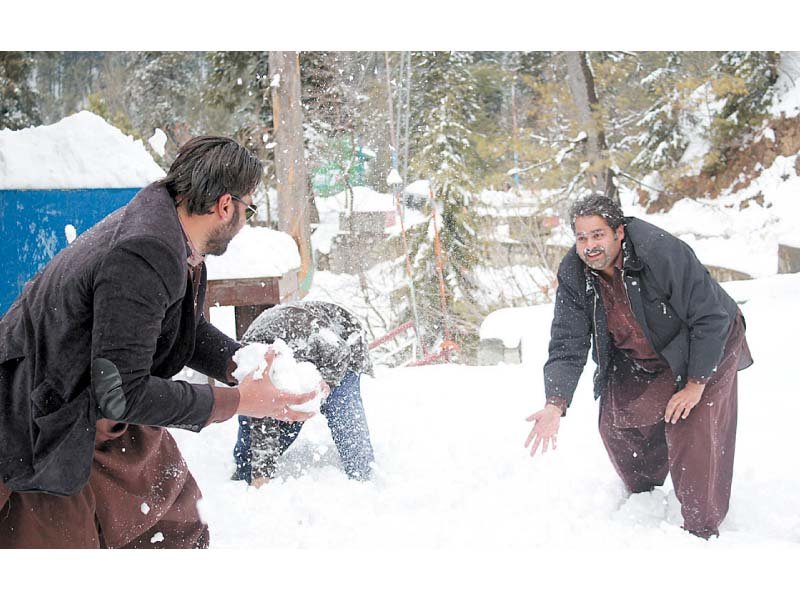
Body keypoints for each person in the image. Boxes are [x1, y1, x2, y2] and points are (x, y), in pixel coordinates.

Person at [0, 136, 323, 549]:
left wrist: (241, 361)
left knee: (175, 522)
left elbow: (176, 327)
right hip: (38, 419)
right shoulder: (145, 251)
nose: (245, 221)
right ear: (226, 206)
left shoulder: (175, 236)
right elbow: (122, 394)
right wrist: (239, 401)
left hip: (93, 404)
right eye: (249, 208)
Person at [524, 194, 752, 539]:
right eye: (582, 237)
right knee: (616, 421)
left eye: (598, 235)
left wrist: (694, 384)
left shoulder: (660, 252)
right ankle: (644, 494)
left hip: (708, 339)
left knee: (691, 424)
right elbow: (567, 340)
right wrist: (555, 402)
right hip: (641, 350)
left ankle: (700, 528)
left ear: (619, 232)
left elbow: (709, 316)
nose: (590, 246)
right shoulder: (574, 272)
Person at [232, 301, 375, 487]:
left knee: (342, 409)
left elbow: (340, 355)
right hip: (289, 338)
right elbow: (260, 416)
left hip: (343, 342)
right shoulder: (251, 362)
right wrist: (260, 475)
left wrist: (327, 383)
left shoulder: (315, 340)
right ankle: (246, 470)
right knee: (256, 412)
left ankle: (361, 473)